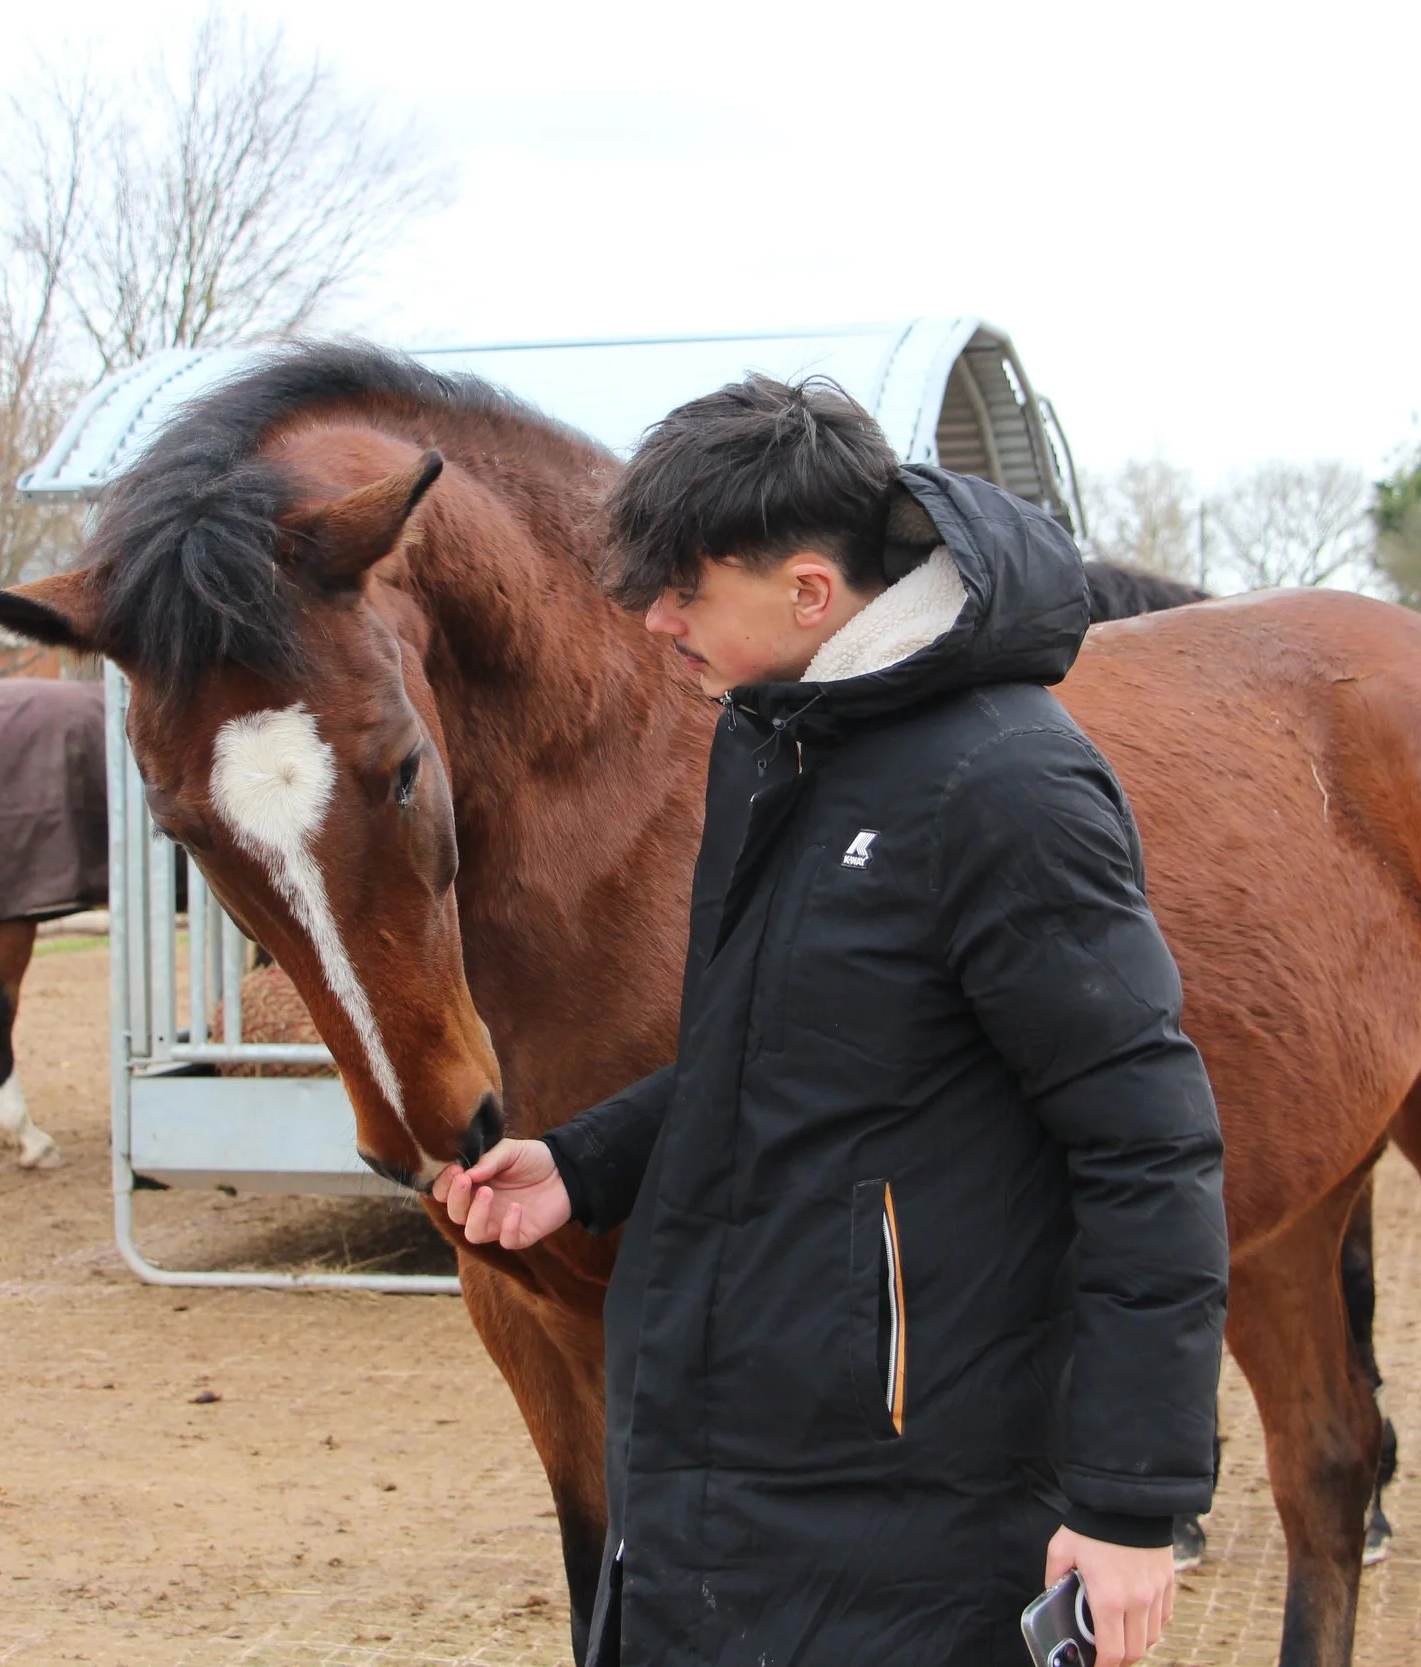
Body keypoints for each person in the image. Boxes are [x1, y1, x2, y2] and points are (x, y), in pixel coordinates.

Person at [433, 376, 1229, 1667]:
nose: (653, 618)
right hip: (723, 1477)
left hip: (906, 1518)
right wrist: (585, 1164)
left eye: (686, 589)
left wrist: (1131, 1504)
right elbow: (777, 1050)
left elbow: (1150, 1147)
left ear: (808, 591)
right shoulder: (786, 744)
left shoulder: (1008, 786)